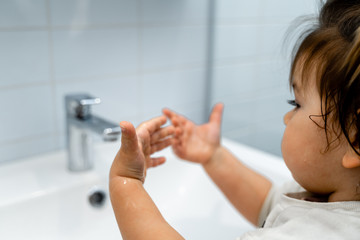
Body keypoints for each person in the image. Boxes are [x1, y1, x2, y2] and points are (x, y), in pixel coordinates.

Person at [109, 0, 360, 239]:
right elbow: (270, 206)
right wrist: (214, 156)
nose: (286, 117)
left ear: (356, 140)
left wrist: (125, 183)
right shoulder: (332, 203)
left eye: (297, 104)